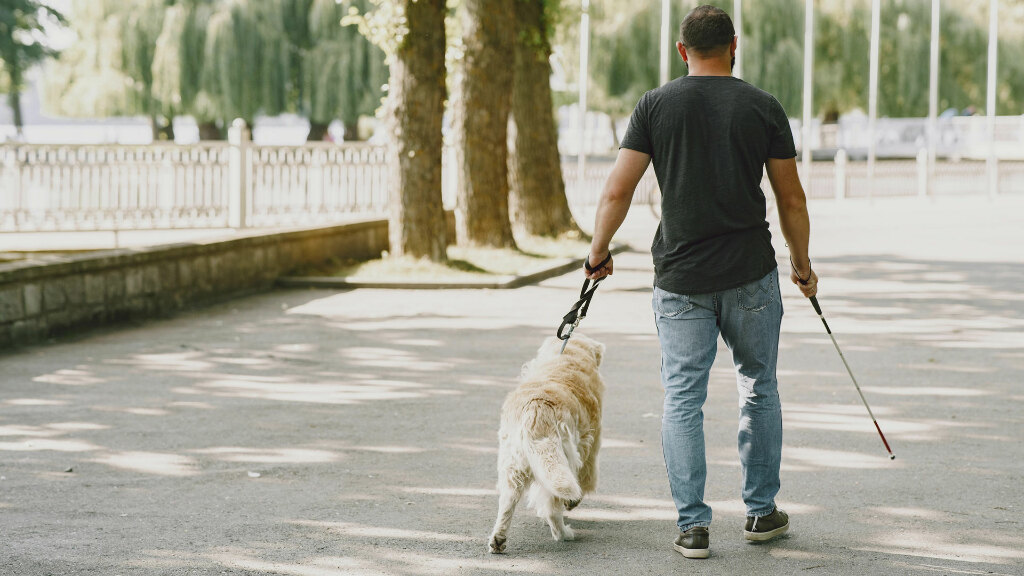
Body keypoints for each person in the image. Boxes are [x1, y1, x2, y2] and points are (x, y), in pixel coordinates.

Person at [583, 5, 818, 560]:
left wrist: (597, 254)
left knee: (683, 397)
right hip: (751, 275)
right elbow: (791, 197)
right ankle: (761, 513)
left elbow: (616, 191)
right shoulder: (763, 106)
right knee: (759, 386)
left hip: (681, 278)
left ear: (682, 51)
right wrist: (802, 265)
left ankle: (693, 526)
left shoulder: (655, 105)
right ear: (734, 46)